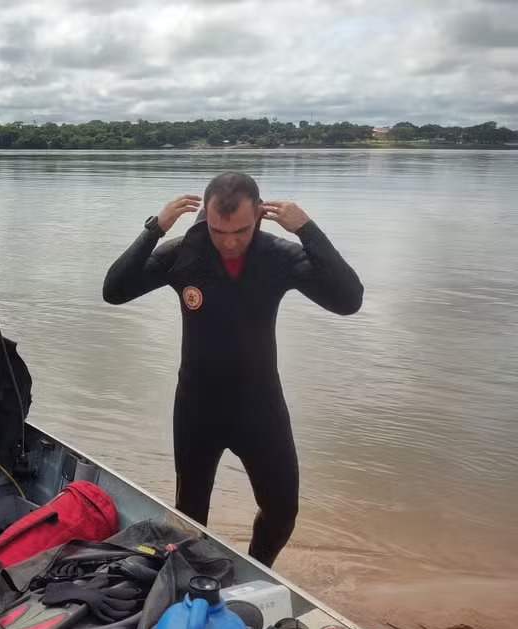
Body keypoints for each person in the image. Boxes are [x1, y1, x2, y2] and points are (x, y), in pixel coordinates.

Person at [102, 172, 363, 567]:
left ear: (260, 215)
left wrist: (308, 230)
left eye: (240, 230)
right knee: (189, 512)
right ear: (205, 215)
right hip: (197, 407)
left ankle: (257, 570)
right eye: (219, 230)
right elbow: (114, 291)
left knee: (281, 512)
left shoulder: (278, 256)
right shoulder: (184, 255)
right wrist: (154, 229)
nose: (228, 241)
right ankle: (192, 577)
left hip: (260, 409)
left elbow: (348, 300)